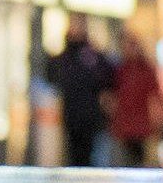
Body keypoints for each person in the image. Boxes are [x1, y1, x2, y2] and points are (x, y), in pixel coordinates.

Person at [43, 23, 120, 167]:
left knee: (87, 155)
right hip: (73, 115)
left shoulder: (90, 56)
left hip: (88, 115)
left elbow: (105, 77)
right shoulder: (68, 58)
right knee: (75, 154)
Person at [109, 31, 163, 167]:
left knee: (142, 166)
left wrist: (157, 122)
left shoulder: (147, 70)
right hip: (124, 129)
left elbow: (154, 98)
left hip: (142, 129)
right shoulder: (120, 70)